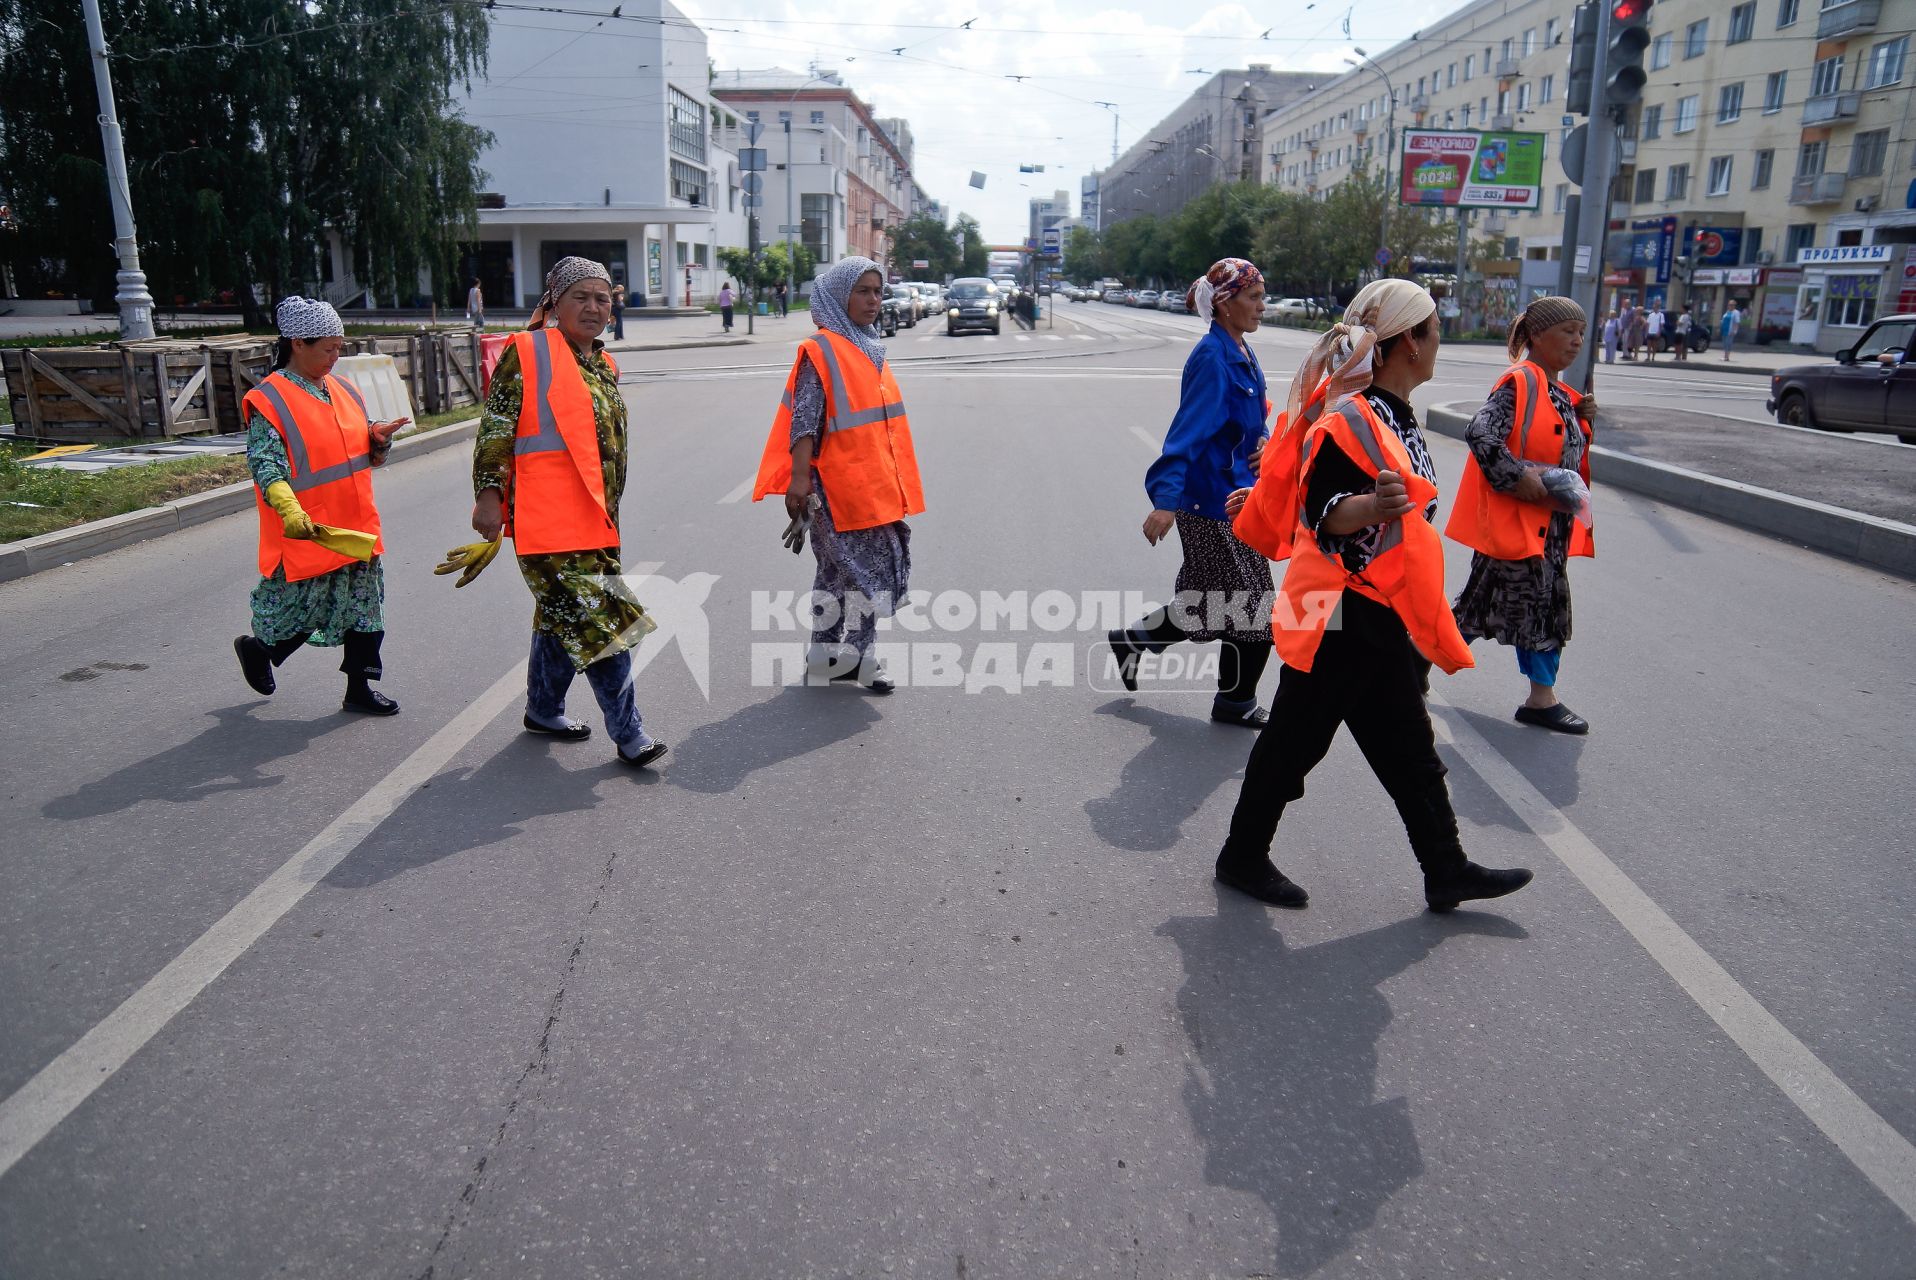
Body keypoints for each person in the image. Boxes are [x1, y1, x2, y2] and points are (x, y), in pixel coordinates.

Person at [1212, 277, 1531, 913]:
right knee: (1297, 744)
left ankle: (1446, 868)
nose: (1439, 341)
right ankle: (1243, 857)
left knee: (1405, 749)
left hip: (1375, 612)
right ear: (1408, 343)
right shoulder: (1354, 417)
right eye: (1434, 330)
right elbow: (1325, 509)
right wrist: (1369, 506)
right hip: (1340, 611)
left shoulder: (1388, 412)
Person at [465, 256, 667, 768]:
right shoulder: (528, 352)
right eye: (582, 297)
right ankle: (629, 733)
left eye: (603, 298)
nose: (595, 308)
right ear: (555, 301)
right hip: (548, 521)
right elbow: (496, 429)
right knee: (603, 624)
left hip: (595, 521)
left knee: (560, 617)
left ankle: (542, 708)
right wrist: (490, 497)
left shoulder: (602, 363)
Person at [1106, 258, 1276, 728]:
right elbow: (1186, 435)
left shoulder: (1240, 348)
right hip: (1210, 505)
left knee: (1212, 604)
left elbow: (1249, 419)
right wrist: (1166, 501)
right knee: (1254, 613)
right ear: (1225, 304)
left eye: (1263, 295)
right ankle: (1234, 703)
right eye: (1255, 297)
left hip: (1239, 498)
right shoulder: (1212, 357)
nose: (1264, 305)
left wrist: (1261, 444)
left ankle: (1133, 640)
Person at [752, 256, 924, 694]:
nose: (872, 300)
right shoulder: (822, 349)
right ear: (838, 295)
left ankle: (823, 657)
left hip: (875, 487)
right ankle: (859, 658)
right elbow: (804, 421)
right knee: (868, 575)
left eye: (877, 291)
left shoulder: (868, 346)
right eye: (862, 291)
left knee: (834, 575)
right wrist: (797, 483)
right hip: (834, 491)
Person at [232, 297, 408, 714]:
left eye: (339, 346)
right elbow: (266, 466)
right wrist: (290, 511)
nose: (336, 355)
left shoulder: (343, 389)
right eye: (328, 347)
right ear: (297, 343)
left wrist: (378, 439)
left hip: (356, 527)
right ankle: (259, 650)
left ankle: (360, 689)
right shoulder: (269, 400)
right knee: (302, 611)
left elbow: (361, 450)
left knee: (366, 611)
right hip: (308, 530)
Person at [1449, 296, 1596, 735]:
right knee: (1536, 607)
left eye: (1581, 334)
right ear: (1536, 335)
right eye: (1567, 331)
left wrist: (1582, 419)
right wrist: (1519, 479)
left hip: (1544, 526)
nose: (1576, 341)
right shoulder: (1521, 382)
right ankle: (1541, 699)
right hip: (1519, 522)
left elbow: (1556, 443)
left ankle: (1415, 659)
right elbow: (1480, 431)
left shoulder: (1556, 390)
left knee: (1483, 609)